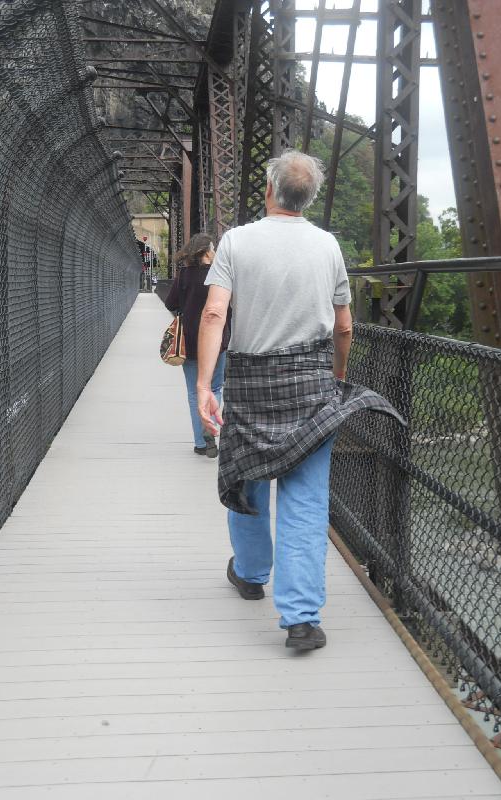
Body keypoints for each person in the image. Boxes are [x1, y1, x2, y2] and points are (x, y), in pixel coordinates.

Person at [196, 149, 404, 650]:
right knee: (305, 500)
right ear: (308, 198)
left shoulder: (236, 242)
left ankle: (249, 574)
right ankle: (301, 619)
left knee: (247, 479)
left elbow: (213, 315)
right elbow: (344, 326)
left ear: (269, 189)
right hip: (311, 383)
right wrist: (335, 378)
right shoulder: (327, 247)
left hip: (250, 384)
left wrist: (205, 385)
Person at [165, 233, 230, 458]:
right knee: (214, 387)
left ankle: (200, 443)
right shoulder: (218, 275)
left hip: (189, 342)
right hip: (216, 341)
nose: (215, 252)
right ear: (205, 251)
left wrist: (185, 313)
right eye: (213, 249)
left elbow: (170, 302)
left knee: (195, 393)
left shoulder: (184, 275)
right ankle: (210, 427)